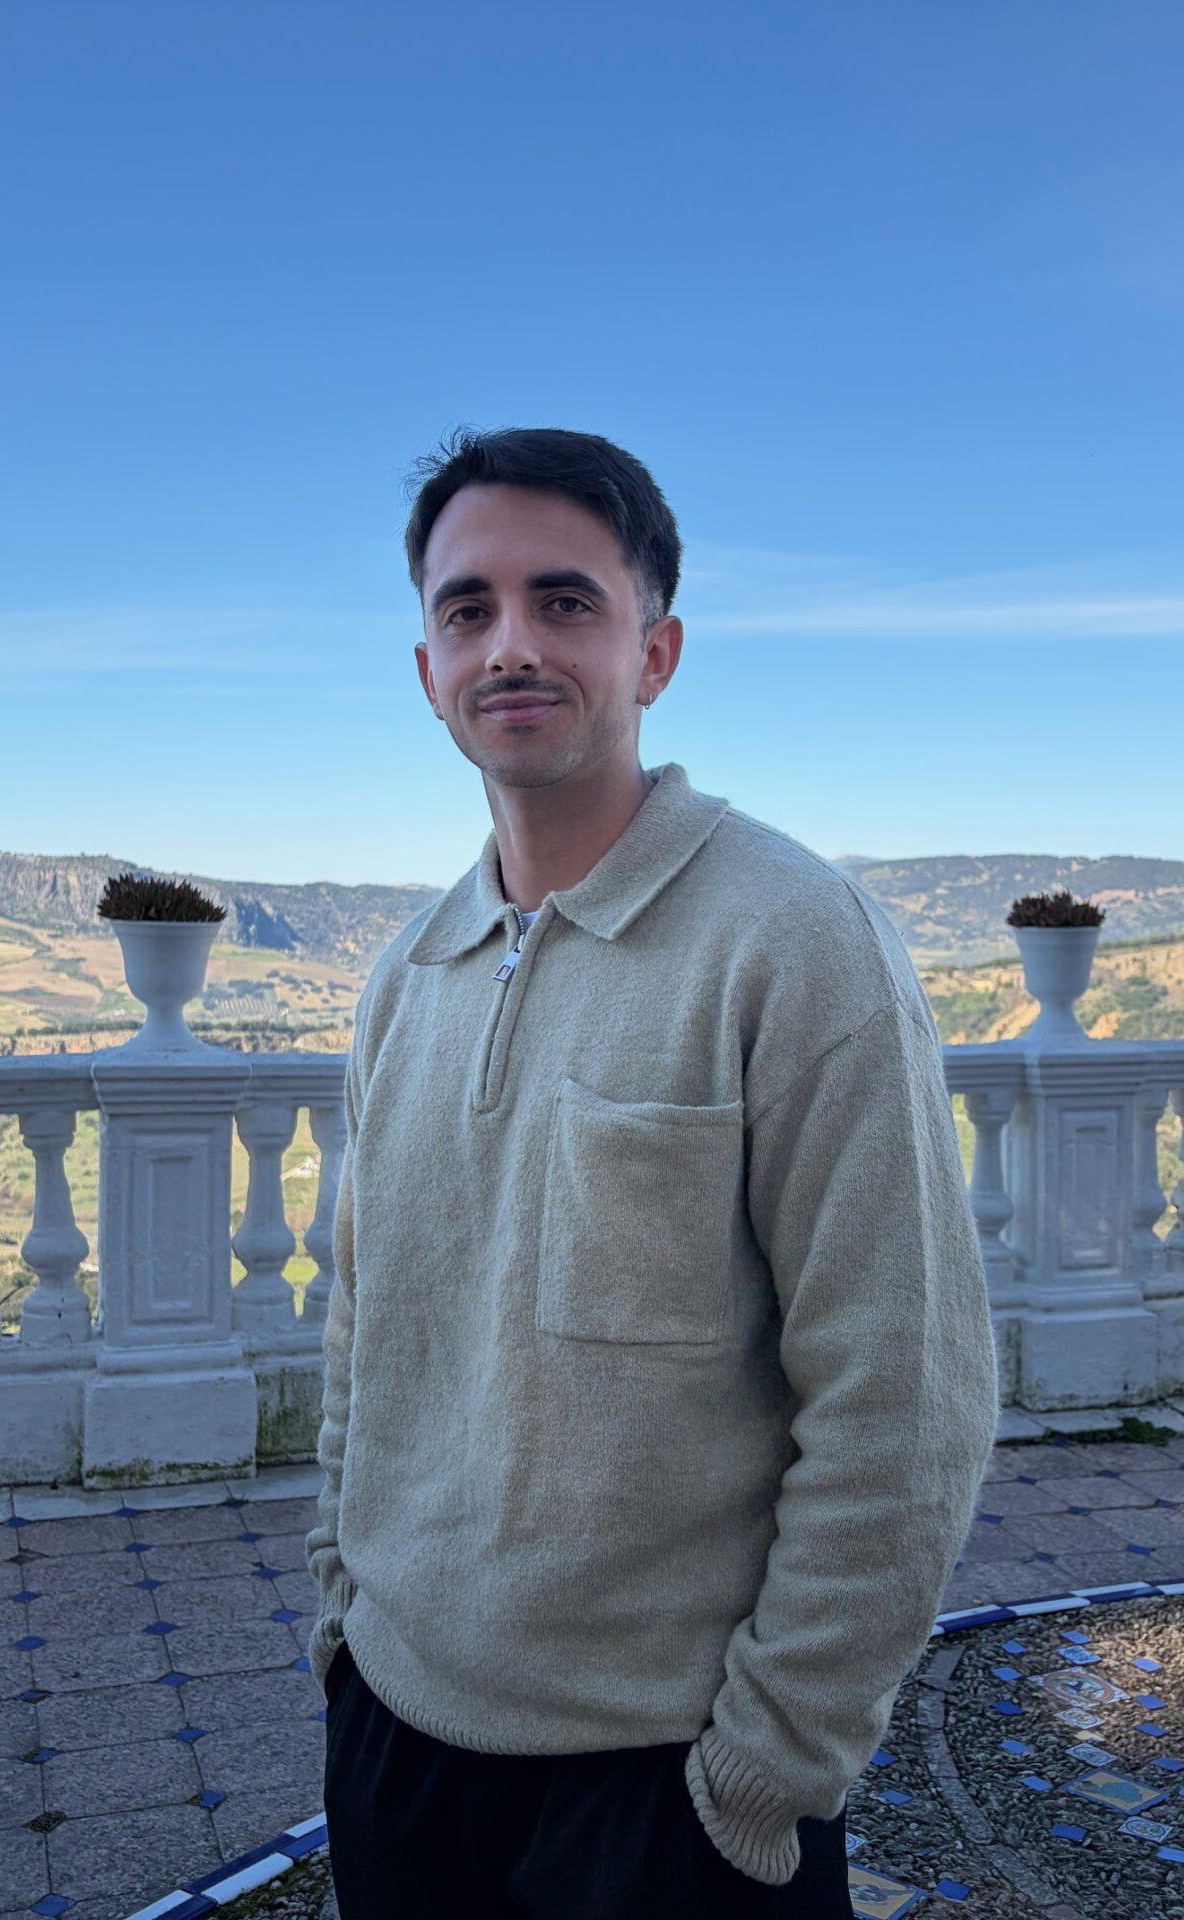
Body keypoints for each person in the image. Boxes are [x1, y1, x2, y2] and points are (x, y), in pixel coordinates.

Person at [306, 426, 998, 1917]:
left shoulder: (794, 940)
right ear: (426, 666)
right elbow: (368, 1327)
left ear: (657, 651)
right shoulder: (406, 974)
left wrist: (765, 1768)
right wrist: (343, 1616)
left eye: (565, 601)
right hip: (398, 1738)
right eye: (467, 609)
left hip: (668, 1786)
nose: (510, 645)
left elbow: (905, 1395)